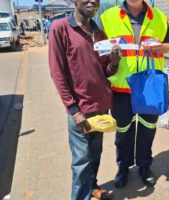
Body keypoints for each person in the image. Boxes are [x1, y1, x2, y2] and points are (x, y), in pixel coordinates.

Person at [48, 0, 120, 199]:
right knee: (81, 160)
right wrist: (73, 109)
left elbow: (106, 71)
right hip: (81, 109)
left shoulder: (99, 33)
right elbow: (57, 72)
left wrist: (114, 63)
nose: (93, 2)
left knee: (94, 155)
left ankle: (93, 186)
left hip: (101, 107)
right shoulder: (60, 28)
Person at [100, 0, 169, 189]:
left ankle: (144, 166)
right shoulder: (107, 17)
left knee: (148, 129)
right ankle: (123, 167)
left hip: (149, 87)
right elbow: (99, 49)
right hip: (122, 88)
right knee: (123, 132)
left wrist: (160, 48)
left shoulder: (159, 17)